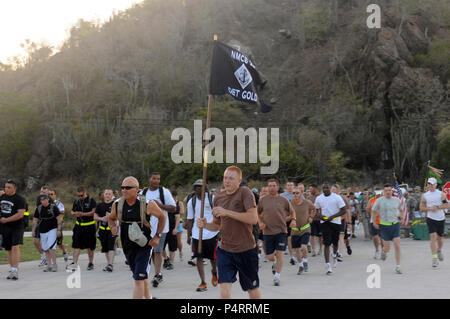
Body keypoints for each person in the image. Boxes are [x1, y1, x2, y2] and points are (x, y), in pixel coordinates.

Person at [197, 166, 260, 299]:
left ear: (239, 180)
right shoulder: (218, 198)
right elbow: (218, 225)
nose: (227, 181)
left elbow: (253, 218)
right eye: (225, 178)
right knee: (224, 289)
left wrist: (227, 212)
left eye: (231, 178)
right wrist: (205, 225)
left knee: (252, 289)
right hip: (225, 250)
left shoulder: (245, 192)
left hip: (246, 250)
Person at [108, 176, 166, 299]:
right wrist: (113, 227)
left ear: (137, 190)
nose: (124, 190)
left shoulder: (147, 204)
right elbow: (111, 218)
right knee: (140, 276)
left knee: (138, 280)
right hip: (127, 246)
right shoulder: (117, 204)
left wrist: (157, 236)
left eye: (128, 188)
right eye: (122, 187)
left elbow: (162, 217)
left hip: (144, 246)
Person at [141, 172, 176, 288]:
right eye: (154, 178)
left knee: (157, 251)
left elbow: (173, 208)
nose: (156, 181)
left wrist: (159, 205)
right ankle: (147, 273)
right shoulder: (143, 193)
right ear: (149, 179)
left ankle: (157, 274)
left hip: (161, 227)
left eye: (158, 179)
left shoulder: (164, 192)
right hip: (146, 228)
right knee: (147, 251)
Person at [258, 179, 295, 286]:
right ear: (267, 187)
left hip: (281, 231)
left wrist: (293, 220)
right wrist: (260, 222)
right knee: (270, 256)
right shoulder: (262, 200)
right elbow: (256, 213)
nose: (272, 188)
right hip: (267, 232)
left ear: (278, 187)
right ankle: (273, 262)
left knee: (280, 254)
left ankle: (277, 277)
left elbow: (293, 213)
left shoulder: (283, 200)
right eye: (270, 186)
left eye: (274, 186)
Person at [186, 179, 219, 292]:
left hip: (211, 233)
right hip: (197, 234)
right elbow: (190, 219)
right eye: (197, 187)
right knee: (199, 258)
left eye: (201, 186)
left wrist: (220, 231)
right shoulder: (192, 202)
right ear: (194, 188)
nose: (199, 188)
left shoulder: (212, 199)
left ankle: (214, 271)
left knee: (213, 258)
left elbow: (218, 216)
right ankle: (203, 282)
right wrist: (189, 235)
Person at [314, 182, 347, 275]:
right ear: (322, 189)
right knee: (326, 243)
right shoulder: (319, 198)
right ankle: (327, 265)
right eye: (324, 188)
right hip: (325, 223)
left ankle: (335, 254)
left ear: (330, 188)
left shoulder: (337, 197)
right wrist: (321, 216)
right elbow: (315, 211)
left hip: (335, 222)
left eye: (327, 188)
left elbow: (344, 210)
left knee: (335, 243)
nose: (325, 189)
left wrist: (333, 216)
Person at [372, 184, 404, 274]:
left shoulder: (397, 200)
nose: (388, 192)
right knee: (387, 248)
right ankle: (384, 252)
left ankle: (398, 266)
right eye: (386, 190)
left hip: (395, 225)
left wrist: (401, 216)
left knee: (397, 244)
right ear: (383, 192)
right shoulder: (379, 201)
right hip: (384, 226)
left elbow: (401, 209)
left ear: (392, 191)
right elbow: (374, 211)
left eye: (389, 190)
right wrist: (374, 222)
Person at [0, 180, 27, 280]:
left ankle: (15, 270)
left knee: (15, 247)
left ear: (14, 188)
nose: (6, 189)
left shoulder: (20, 199)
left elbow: (20, 214)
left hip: (17, 226)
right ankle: (11, 269)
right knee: (9, 249)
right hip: (5, 227)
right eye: (5, 187)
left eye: (9, 187)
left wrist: (6, 220)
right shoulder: (2, 197)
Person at [420, 177, 449, 267]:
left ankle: (439, 250)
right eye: (429, 184)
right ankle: (434, 258)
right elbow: (421, 208)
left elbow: (447, 205)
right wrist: (429, 208)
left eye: (432, 184)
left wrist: (438, 207)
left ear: (435, 185)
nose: (430, 185)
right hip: (430, 218)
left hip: (440, 218)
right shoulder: (425, 195)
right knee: (433, 236)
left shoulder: (441, 194)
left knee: (440, 238)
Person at [67, 186, 97, 271]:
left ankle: (90, 263)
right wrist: (74, 213)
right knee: (76, 245)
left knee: (90, 246)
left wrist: (83, 214)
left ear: (85, 192)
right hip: (78, 226)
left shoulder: (91, 200)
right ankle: (74, 263)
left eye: (81, 195)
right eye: (78, 196)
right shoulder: (76, 201)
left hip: (89, 226)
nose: (80, 197)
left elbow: (94, 212)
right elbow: (72, 211)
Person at [32, 194, 62, 272]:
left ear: (48, 199)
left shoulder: (53, 207)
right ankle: (49, 265)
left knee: (51, 247)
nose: (43, 201)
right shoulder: (38, 208)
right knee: (45, 249)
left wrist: (59, 230)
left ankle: (54, 264)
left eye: (44, 199)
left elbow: (59, 219)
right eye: (41, 200)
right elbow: (35, 220)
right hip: (42, 230)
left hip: (53, 229)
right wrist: (33, 230)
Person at [290, 186, 315, 275]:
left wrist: (311, 217)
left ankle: (305, 261)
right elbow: (285, 214)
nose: (295, 195)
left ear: (301, 194)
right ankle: (301, 266)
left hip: (305, 228)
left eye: (297, 193)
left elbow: (314, 209)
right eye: (293, 193)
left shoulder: (307, 202)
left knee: (304, 247)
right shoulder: (290, 204)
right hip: (295, 230)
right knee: (296, 249)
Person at [94, 189, 116, 272]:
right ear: (103, 195)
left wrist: (111, 217)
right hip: (102, 230)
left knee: (111, 246)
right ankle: (109, 264)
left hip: (112, 229)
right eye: (106, 194)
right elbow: (95, 217)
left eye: (109, 194)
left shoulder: (115, 205)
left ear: (112, 195)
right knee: (105, 248)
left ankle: (110, 264)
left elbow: (119, 216)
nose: (107, 195)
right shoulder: (100, 205)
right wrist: (101, 218)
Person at [34, 185, 54, 267]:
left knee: (48, 242)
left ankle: (51, 259)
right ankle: (43, 257)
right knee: (35, 241)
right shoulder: (38, 199)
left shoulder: (51, 200)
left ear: (48, 193)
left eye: (44, 192)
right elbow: (37, 210)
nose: (42, 194)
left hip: (49, 224)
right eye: (41, 192)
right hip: (40, 222)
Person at [162, 190, 180, 271]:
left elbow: (178, 217)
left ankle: (171, 263)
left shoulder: (175, 205)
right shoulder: (163, 205)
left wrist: (176, 228)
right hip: (163, 228)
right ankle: (166, 259)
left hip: (172, 228)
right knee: (160, 246)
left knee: (172, 246)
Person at [49, 189, 69, 262]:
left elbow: (62, 213)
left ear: (55, 195)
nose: (50, 196)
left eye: (52, 194)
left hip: (57, 225)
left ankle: (64, 252)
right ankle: (50, 260)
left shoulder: (58, 203)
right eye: (49, 194)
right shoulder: (46, 203)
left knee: (59, 243)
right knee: (49, 243)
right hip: (49, 226)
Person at [280, 181, 295, 263]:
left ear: (294, 186)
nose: (290, 186)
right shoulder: (282, 196)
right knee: (289, 238)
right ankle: (292, 256)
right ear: (286, 186)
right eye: (288, 185)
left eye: (291, 185)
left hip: (296, 219)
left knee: (296, 237)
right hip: (285, 219)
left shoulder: (298, 195)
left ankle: (296, 253)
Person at [307, 184, 322, 257]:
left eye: (311, 189)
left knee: (320, 235)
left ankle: (321, 249)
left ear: (315, 189)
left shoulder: (321, 197)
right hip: (312, 219)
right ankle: (313, 250)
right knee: (312, 235)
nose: (310, 190)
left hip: (320, 219)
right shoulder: (309, 197)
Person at [173, 191, 185, 262]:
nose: (174, 198)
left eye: (175, 197)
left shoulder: (179, 203)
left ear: (177, 196)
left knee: (178, 240)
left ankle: (180, 252)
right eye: (173, 197)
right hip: (171, 223)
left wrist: (175, 212)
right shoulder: (169, 202)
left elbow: (182, 212)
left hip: (179, 222)